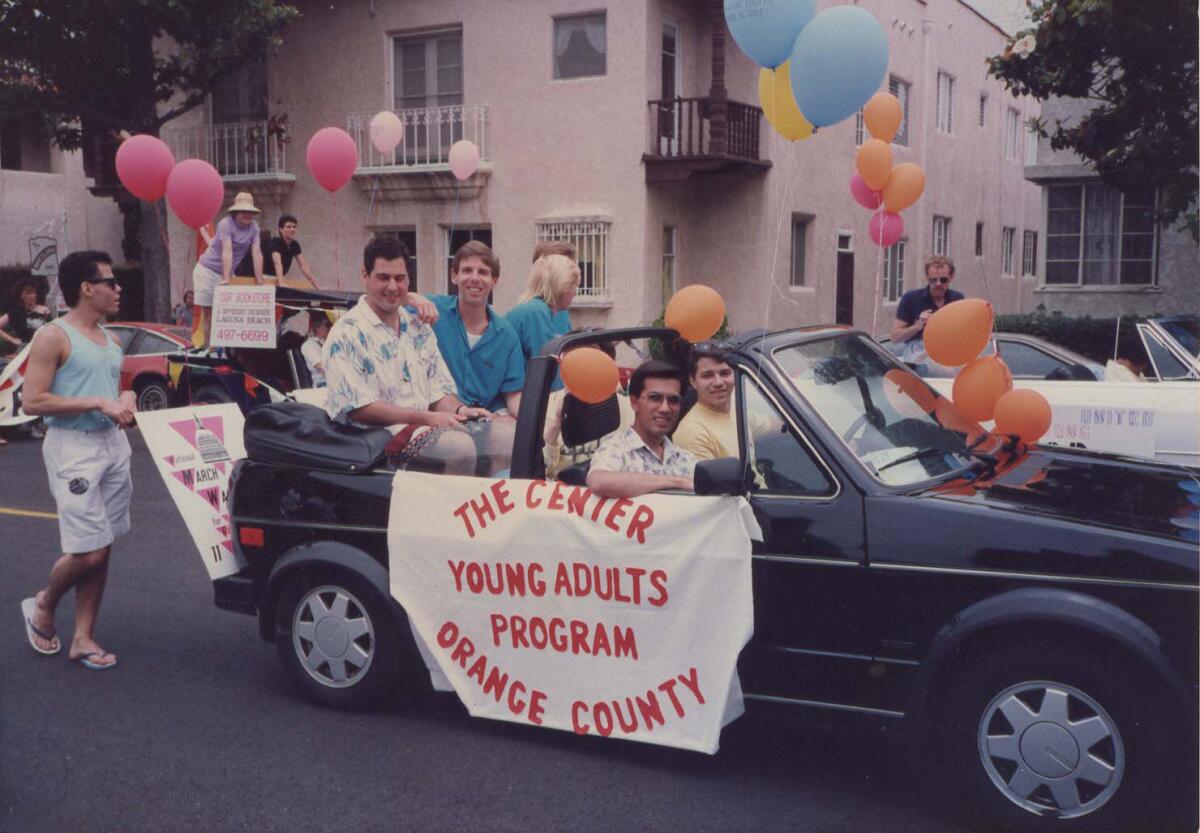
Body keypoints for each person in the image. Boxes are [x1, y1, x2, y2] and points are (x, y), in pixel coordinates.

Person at [19, 250, 136, 670]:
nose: (118, 288)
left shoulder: (114, 341)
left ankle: (83, 637)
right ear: (87, 288)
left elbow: (112, 390)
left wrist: (126, 399)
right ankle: (44, 605)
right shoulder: (54, 336)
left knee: (102, 545)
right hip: (73, 447)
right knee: (86, 552)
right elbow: (33, 400)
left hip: (112, 446)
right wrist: (99, 402)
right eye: (111, 282)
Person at [323, 235, 499, 475]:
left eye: (400, 278)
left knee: (499, 436)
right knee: (460, 448)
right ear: (365, 275)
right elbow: (359, 408)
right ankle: (445, 513)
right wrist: (426, 418)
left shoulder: (418, 327)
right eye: (383, 277)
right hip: (371, 440)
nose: (393, 287)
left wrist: (460, 411)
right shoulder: (346, 333)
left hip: (420, 427)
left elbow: (438, 390)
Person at [426, 241, 525, 417]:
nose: (475, 278)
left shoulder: (507, 336)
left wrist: (528, 419)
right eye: (467, 270)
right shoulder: (433, 311)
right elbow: (392, 298)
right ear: (454, 275)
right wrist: (412, 299)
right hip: (435, 417)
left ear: (494, 280)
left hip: (482, 421)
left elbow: (513, 393)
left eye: (483, 272)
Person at [587, 360, 697, 498]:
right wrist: (678, 482)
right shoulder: (616, 450)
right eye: (655, 398)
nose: (665, 408)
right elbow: (599, 482)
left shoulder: (686, 459)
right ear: (634, 403)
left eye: (673, 400)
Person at [191, 192, 264, 347]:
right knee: (209, 312)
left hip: (228, 272)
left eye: (250, 212)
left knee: (228, 313)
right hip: (207, 271)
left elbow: (256, 252)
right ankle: (208, 347)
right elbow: (227, 250)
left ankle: (227, 348)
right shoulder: (225, 224)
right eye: (244, 211)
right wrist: (225, 278)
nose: (247, 215)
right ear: (235, 212)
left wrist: (260, 280)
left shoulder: (254, 227)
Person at [505, 252, 580, 391]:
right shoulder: (537, 312)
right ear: (563, 286)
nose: (575, 292)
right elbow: (547, 369)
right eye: (574, 285)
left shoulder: (533, 308)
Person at [890, 255, 965, 361]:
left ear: (951, 277)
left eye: (943, 280)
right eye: (933, 280)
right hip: (918, 349)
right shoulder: (911, 298)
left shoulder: (958, 299)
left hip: (948, 349)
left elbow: (964, 334)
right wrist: (917, 326)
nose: (938, 284)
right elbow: (895, 337)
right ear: (927, 278)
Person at [673, 342, 738, 460]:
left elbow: (773, 423)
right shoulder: (692, 433)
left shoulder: (738, 409)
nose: (718, 382)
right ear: (693, 381)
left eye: (725, 373)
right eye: (707, 376)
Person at [1, 278, 53, 354]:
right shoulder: (16, 312)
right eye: (28, 293)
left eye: (33, 292)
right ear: (21, 296)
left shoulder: (44, 310)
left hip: (43, 348)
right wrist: (13, 340)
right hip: (25, 349)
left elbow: (52, 329)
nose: (31, 296)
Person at [265, 215, 319, 287]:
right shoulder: (275, 241)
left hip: (278, 279)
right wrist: (281, 283)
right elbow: (277, 263)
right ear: (281, 229)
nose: (292, 229)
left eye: (294, 227)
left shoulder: (295, 245)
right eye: (288, 227)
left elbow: (303, 266)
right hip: (265, 278)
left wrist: (317, 287)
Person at [301, 313, 331, 387]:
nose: (330, 328)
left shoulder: (327, 342)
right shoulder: (309, 345)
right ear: (317, 327)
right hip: (323, 384)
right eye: (327, 325)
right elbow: (321, 366)